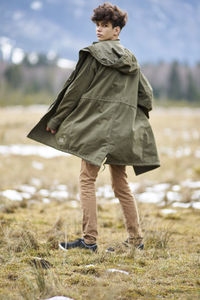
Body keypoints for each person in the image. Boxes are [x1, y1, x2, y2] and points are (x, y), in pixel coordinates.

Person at [28, 2, 160, 252]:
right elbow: (147, 97)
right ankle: (136, 241)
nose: (99, 30)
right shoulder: (132, 59)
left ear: (117, 30)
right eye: (98, 25)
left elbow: (74, 91)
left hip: (97, 130)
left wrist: (55, 120)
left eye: (105, 26)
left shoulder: (95, 54)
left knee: (87, 179)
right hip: (122, 132)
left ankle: (89, 241)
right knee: (121, 184)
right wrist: (127, 117)